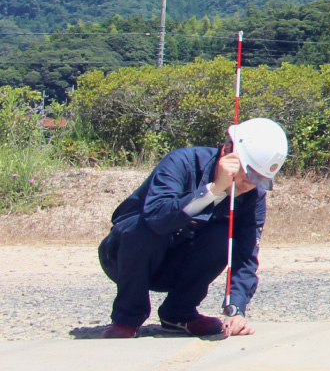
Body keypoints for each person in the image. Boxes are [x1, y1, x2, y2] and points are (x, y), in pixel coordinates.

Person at [98, 118, 288, 338]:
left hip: (176, 268)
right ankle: (127, 318)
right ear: (227, 152)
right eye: (248, 176)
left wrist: (237, 309)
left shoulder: (253, 196)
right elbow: (157, 218)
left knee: (222, 236)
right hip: (124, 259)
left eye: (260, 181)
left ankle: (179, 314)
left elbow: (246, 256)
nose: (250, 186)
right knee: (143, 228)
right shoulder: (182, 162)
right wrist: (215, 190)